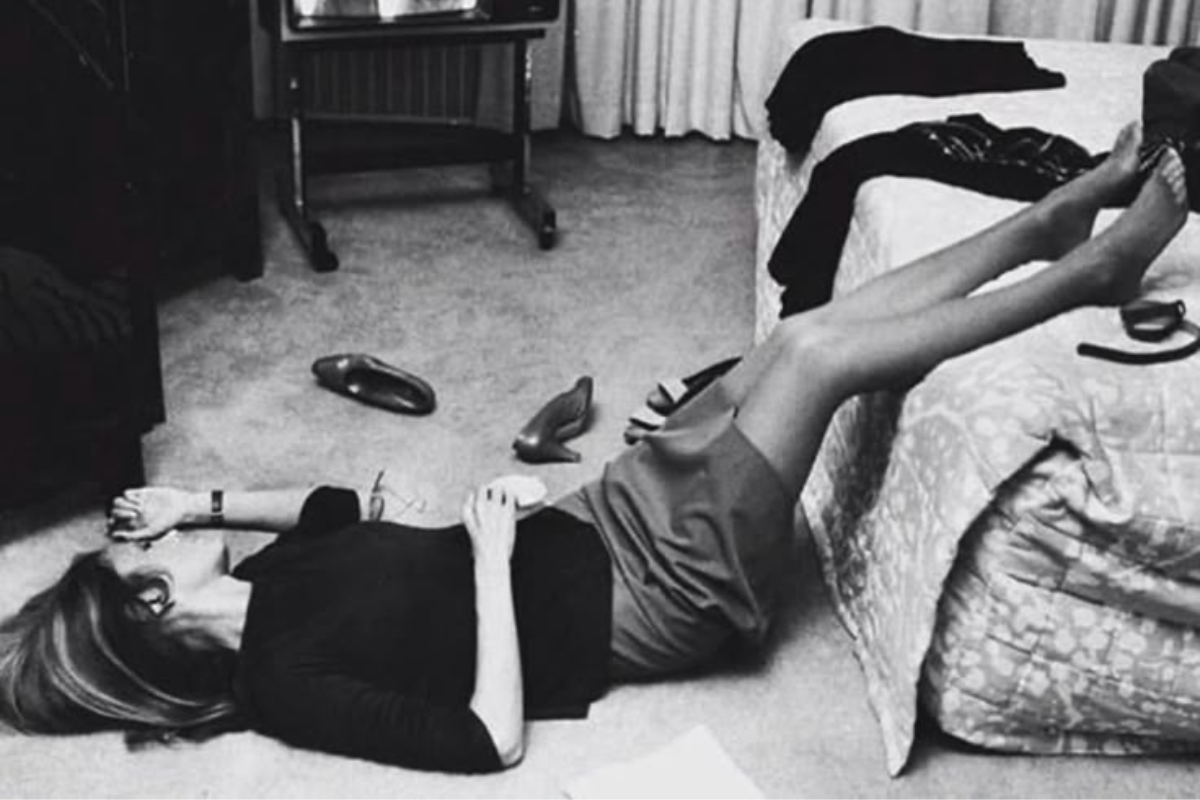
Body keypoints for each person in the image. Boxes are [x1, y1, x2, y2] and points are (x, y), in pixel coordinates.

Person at [0, 124, 1188, 773]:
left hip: (603, 515)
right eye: (137, 552)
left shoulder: (265, 584)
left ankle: (1043, 220)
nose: (148, 535)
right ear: (151, 602)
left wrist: (201, 500)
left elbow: (330, 510)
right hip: (657, 596)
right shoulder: (282, 686)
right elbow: (485, 739)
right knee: (821, 364)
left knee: (792, 338)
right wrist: (483, 558)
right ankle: (1093, 268)